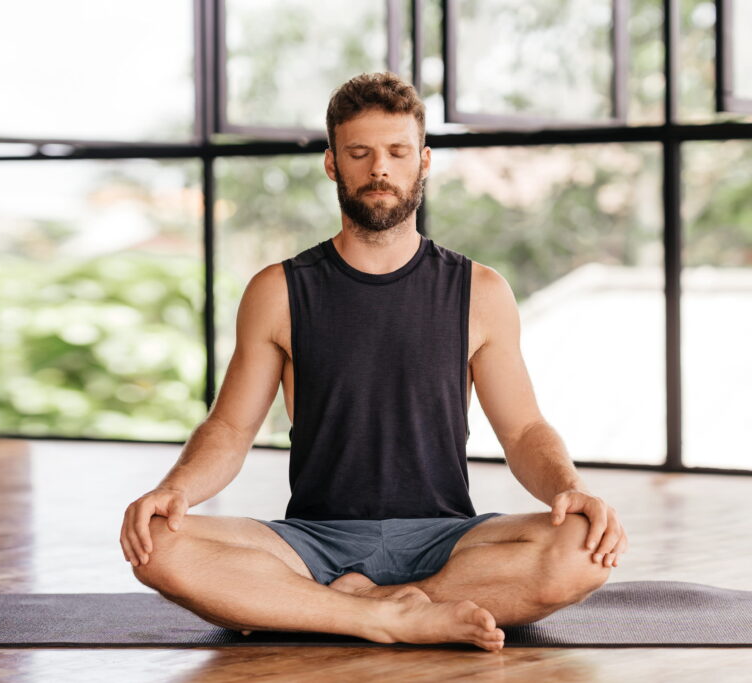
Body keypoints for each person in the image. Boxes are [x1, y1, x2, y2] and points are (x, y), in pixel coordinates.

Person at [119, 72, 629, 652]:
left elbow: (523, 429)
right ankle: (389, 616)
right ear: (333, 163)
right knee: (158, 542)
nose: (379, 169)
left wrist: (570, 487)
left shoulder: (481, 291)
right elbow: (232, 428)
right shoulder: (278, 290)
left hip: (448, 539)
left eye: (396, 152)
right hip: (311, 540)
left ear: (425, 161)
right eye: (359, 153)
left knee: (583, 546)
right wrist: (175, 488)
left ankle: (349, 606)